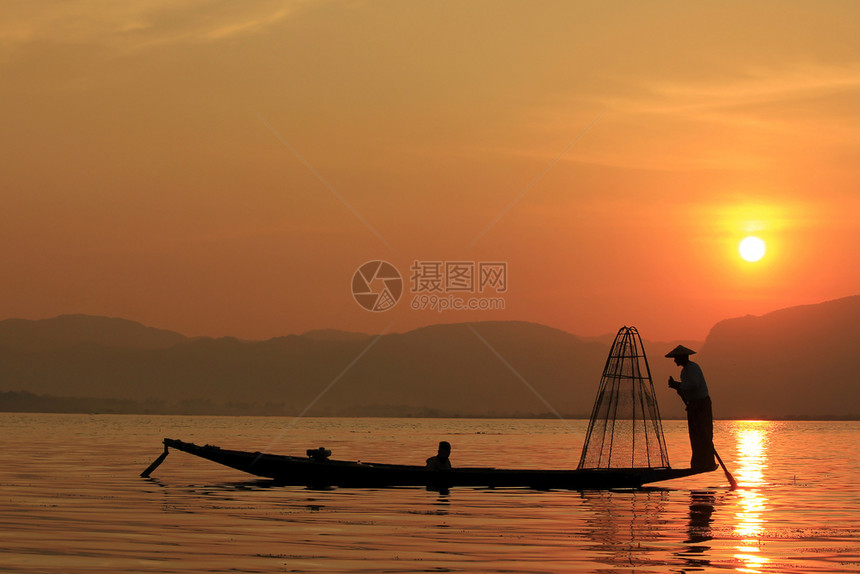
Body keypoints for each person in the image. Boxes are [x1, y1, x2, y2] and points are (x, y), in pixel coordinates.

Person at [665, 345, 717, 471]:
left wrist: (678, 385)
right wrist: (676, 386)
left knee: (704, 434)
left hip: (701, 406)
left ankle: (707, 463)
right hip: (693, 406)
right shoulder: (684, 371)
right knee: (695, 436)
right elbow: (686, 389)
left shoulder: (693, 368)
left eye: (676, 358)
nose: (675, 360)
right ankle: (699, 464)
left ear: (682, 358)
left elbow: (693, 385)